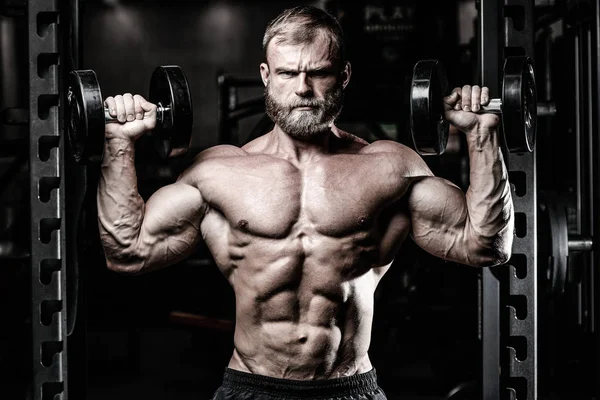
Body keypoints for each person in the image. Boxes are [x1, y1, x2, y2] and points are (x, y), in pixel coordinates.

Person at [98, 5, 514, 400]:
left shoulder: (390, 169)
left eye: (318, 73)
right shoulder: (218, 174)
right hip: (252, 386)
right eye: (287, 72)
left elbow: (485, 245)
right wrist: (119, 142)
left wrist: (481, 138)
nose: (302, 88)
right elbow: (128, 251)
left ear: (344, 74)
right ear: (265, 75)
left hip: (349, 387)